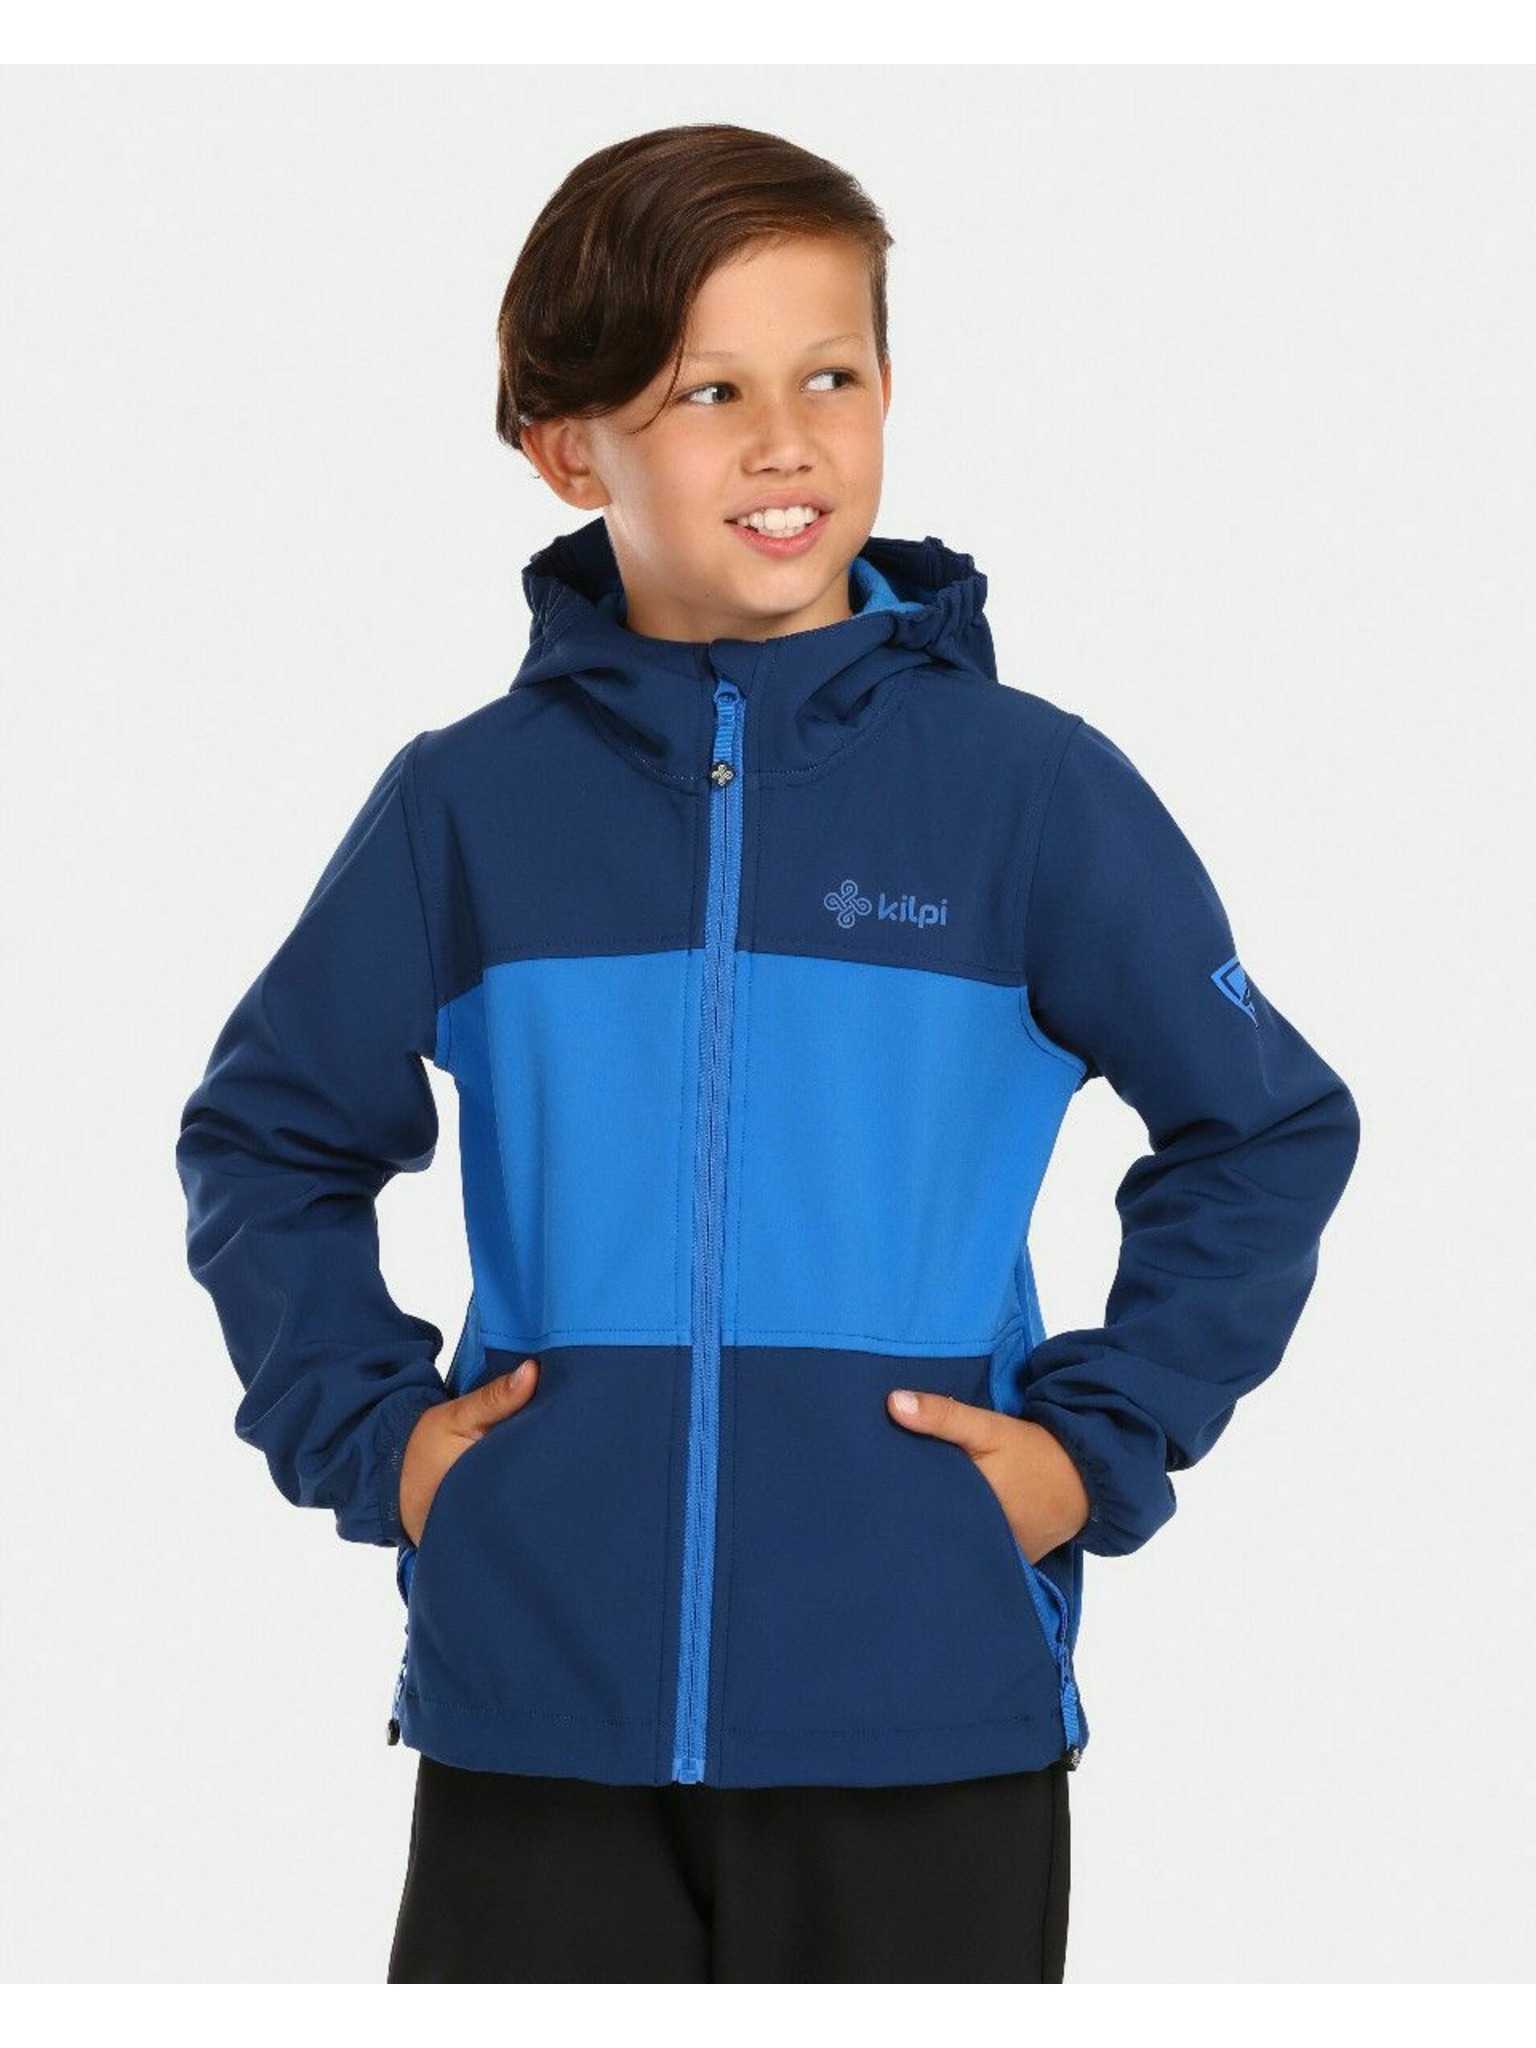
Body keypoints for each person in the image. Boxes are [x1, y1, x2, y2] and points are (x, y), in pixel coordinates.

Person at [175, 122, 1361, 1984]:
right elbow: (266, 1138)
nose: (788, 441)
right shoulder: (466, 808)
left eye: (833, 377)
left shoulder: (1027, 793)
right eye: (709, 391)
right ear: (569, 447)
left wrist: (1094, 1450)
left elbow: (1265, 1128)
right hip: (538, 1714)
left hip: (925, 1715)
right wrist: (382, 1445)